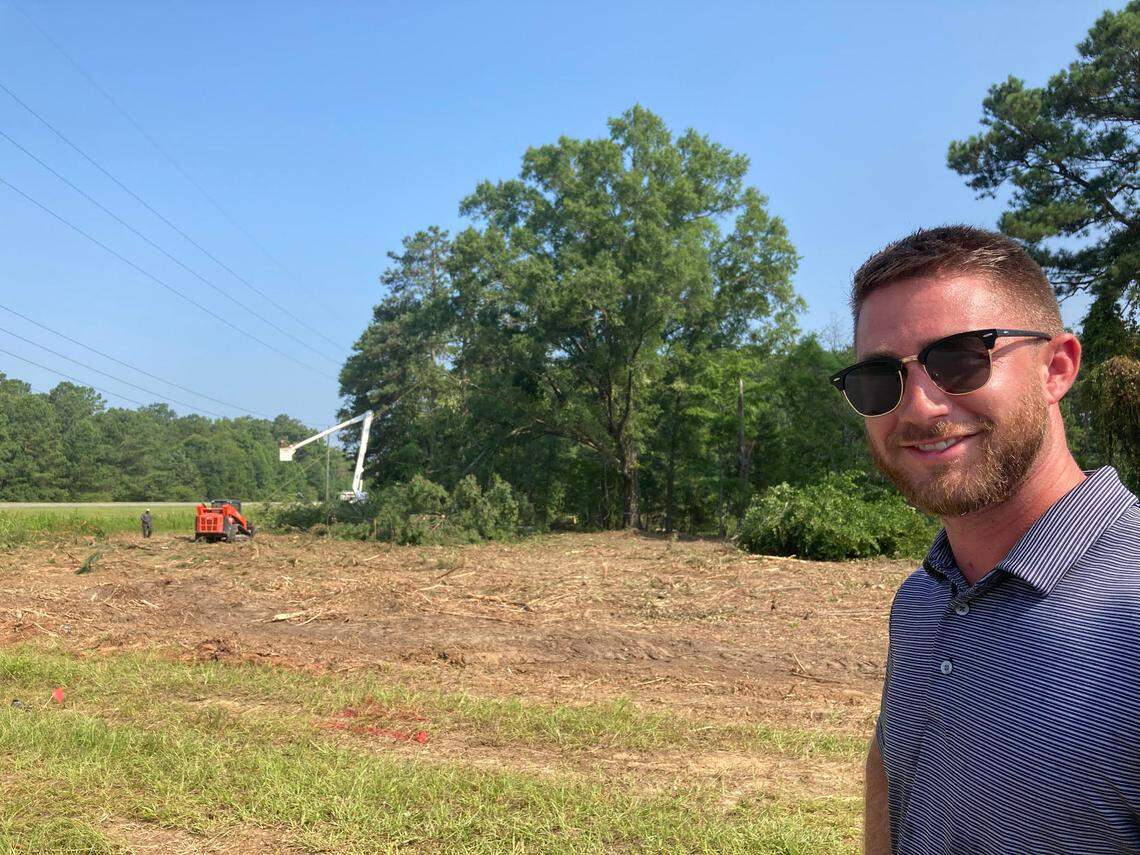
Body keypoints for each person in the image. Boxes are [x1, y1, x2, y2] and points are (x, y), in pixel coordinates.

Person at [829, 225, 1140, 854]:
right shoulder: (922, 599)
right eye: (878, 379)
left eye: (962, 359)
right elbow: (893, 767)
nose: (918, 408)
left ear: (1057, 368)